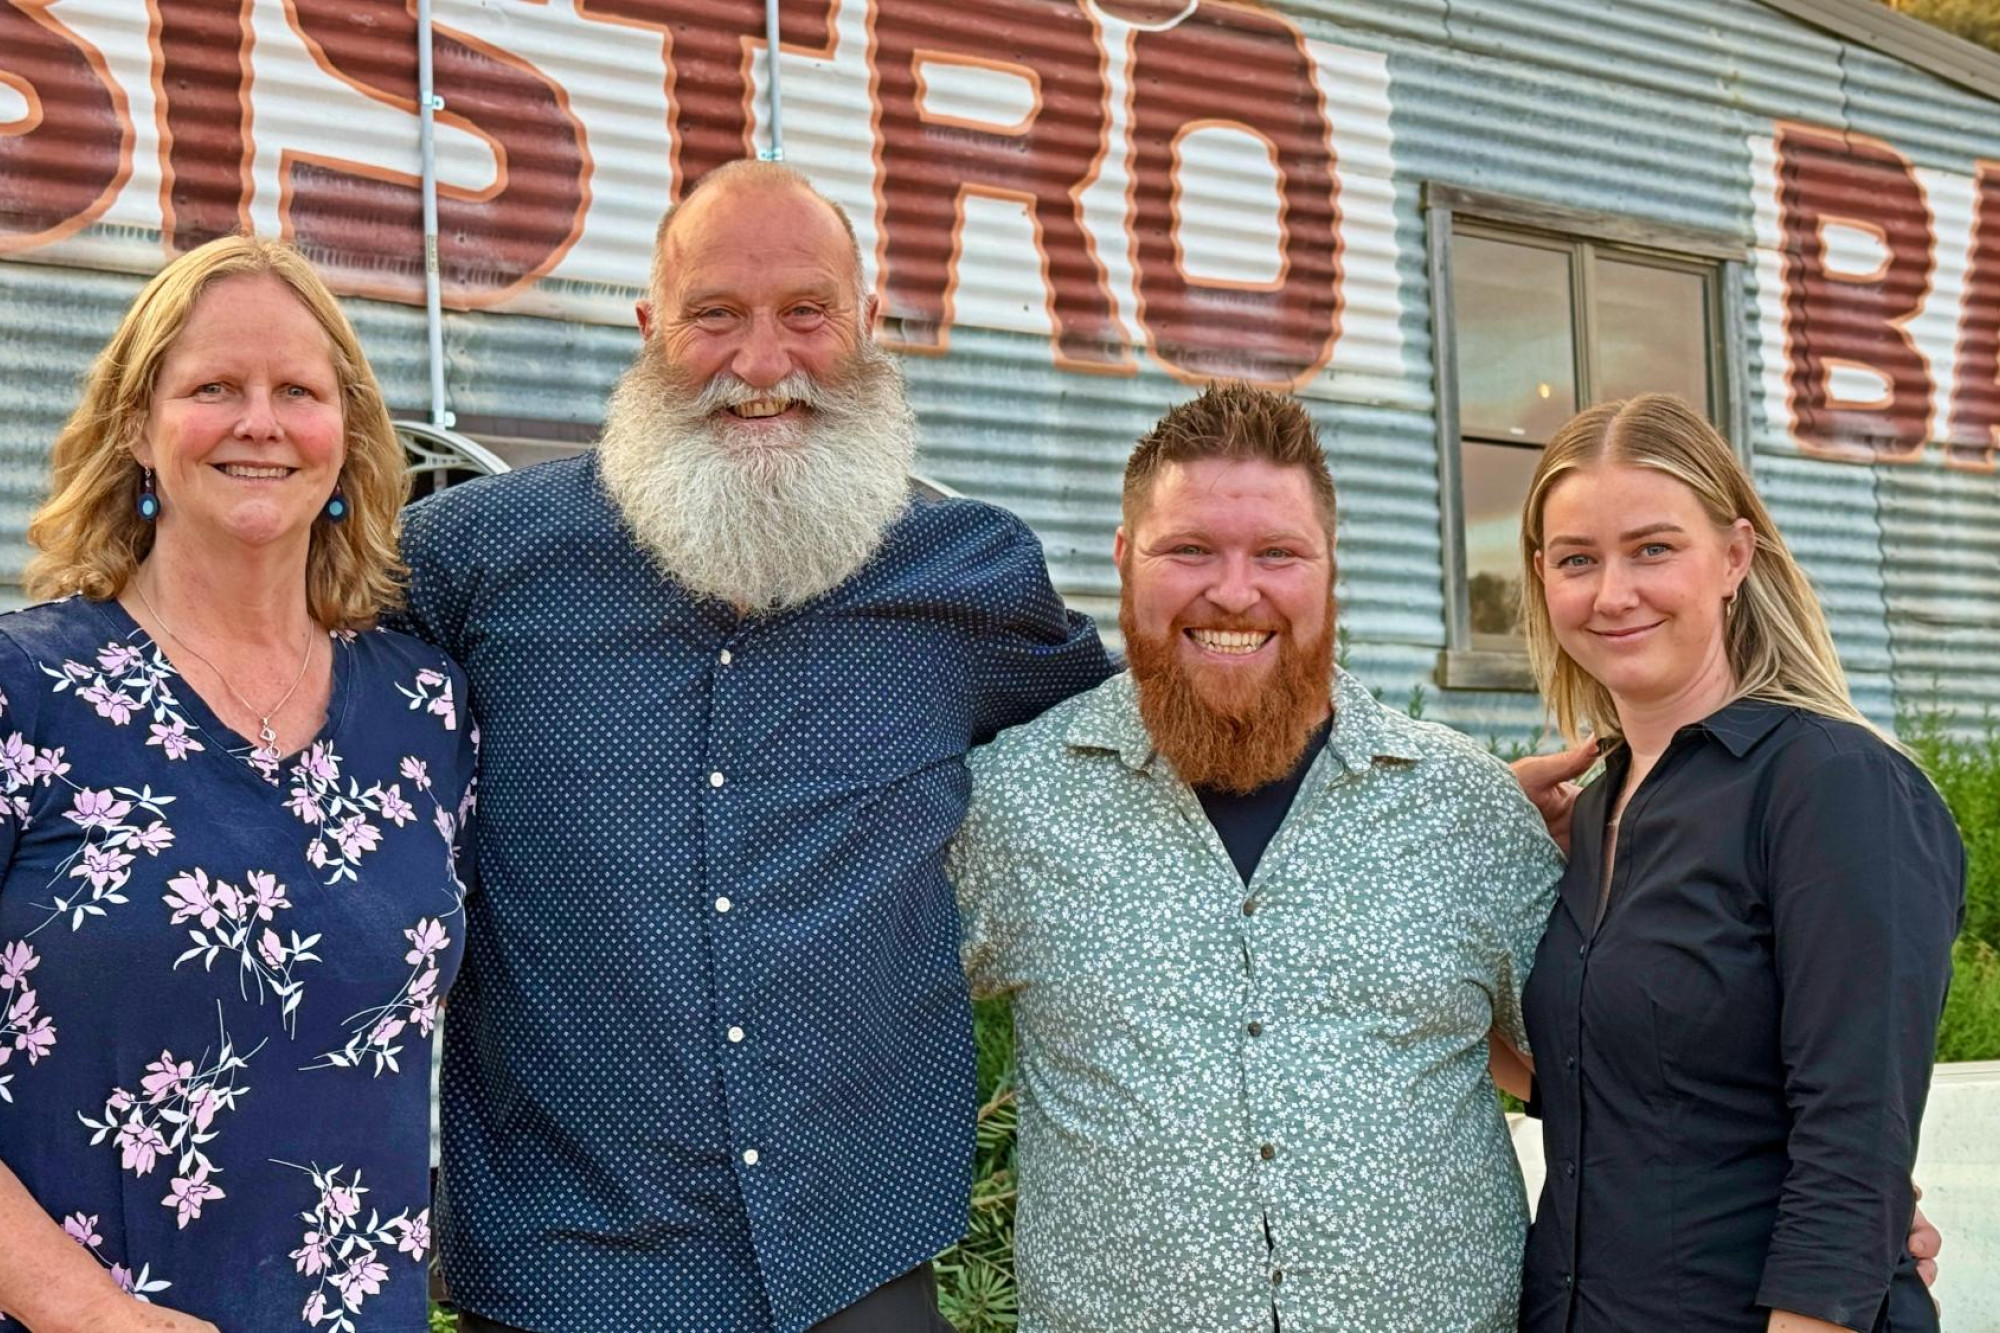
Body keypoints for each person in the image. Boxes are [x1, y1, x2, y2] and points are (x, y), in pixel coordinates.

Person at [392, 160, 1110, 1333]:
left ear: (869, 324)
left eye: (805, 314)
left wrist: (1421, 786)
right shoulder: (471, 561)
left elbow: (1141, 755)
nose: (761, 363)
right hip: (566, 1269)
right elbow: (264, 680)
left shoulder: (970, 574)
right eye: (713, 315)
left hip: (860, 1260)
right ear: (648, 331)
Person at [948, 384, 1565, 1331]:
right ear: (1124, 561)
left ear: (1329, 571)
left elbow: (1604, 1070)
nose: (1235, 591)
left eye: (1278, 553)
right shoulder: (1013, 803)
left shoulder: (1465, 807)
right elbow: (842, 1031)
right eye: (1189, 548)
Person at [0, 236, 476, 1331]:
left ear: (345, 435)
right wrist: (90, 1314)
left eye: (297, 391)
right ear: (139, 430)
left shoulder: (426, 712)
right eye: (213, 386)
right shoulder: (28, 691)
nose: (258, 421)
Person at [1513, 393, 1963, 1331]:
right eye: (1576, 560)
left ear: (1734, 557)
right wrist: (1468, 840)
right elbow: (1608, 1082)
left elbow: (1854, 1148)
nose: (1612, 593)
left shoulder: (1834, 786)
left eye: (1653, 548)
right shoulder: (1591, 812)